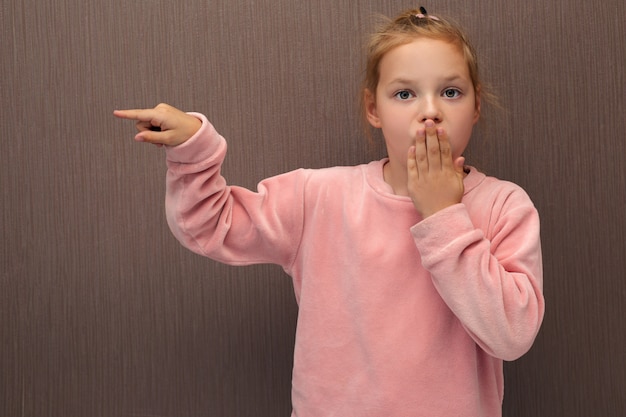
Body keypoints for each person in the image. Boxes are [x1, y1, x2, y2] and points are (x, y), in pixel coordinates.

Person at [114, 7, 544, 416]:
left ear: (476, 105)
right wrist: (195, 149)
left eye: (451, 92)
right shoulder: (319, 197)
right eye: (404, 93)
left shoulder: (504, 206)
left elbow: (511, 334)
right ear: (373, 109)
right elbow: (210, 225)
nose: (429, 111)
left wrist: (443, 215)